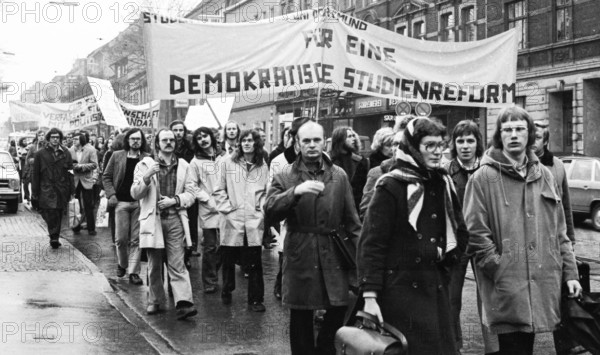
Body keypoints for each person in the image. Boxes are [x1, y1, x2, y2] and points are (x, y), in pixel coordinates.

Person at [464, 106, 581, 355]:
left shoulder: (545, 176)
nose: (514, 135)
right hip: (506, 285)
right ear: (499, 135)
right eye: (507, 130)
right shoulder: (483, 178)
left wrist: (570, 273)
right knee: (511, 348)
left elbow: (560, 231)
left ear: (530, 134)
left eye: (520, 129)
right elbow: (475, 233)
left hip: (540, 282)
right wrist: (498, 266)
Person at [357, 117, 468, 355]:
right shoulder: (391, 185)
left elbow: (460, 230)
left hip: (434, 288)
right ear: (413, 147)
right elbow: (372, 245)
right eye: (430, 146)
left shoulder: (441, 181)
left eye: (441, 145)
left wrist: (448, 258)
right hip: (399, 292)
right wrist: (369, 296)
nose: (438, 152)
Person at [265, 121, 361, 354]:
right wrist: (295, 193)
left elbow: (352, 221)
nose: (311, 145)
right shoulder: (285, 175)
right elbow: (269, 209)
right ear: (297, 144)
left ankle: (325, 349)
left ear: (324, 142)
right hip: (301, 251)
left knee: (338, 306)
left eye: (316, 140)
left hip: (333, 250)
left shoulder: (338, 175)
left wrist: (363, 259)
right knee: (301, 315)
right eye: (306, 140)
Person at [130, 128, 197, 320]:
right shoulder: (145, 164)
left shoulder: (184, 165)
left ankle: (184, 303)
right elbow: (135, 193)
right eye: (164, 140)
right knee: (155, 264)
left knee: (177, 261)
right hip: (153, 219)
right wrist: (147, 176)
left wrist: (175, 200)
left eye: (172, 140)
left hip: (175, 218)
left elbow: (191, 193)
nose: (169, 143)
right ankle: (155, 300)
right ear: (157, 143)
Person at [444, 119, 487, 353]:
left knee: (490, 299)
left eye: (470, 140)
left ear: (477, 143)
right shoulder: (446, 171)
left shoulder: (488, 170)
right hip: (457, 244)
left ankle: (493, 346)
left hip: (483, 242)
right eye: (460, 140)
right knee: (452, 299)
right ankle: (455, 346)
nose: (465, 145)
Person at [214, 129, 268, 312]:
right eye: (243, 140)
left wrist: (261, 211)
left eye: (250, 140)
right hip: (232, 217)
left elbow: (266, 191)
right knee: (228, 257)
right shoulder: (227, 162)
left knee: (254, 259)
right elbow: (218, 189)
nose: (246, 143)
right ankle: (227, 289)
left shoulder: (262, 165)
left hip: (253, 218)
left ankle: (256, 299)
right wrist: (228, 209)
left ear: (256, 144)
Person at [103, 128, 149, 285]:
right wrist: (111, 195)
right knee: (121, 239)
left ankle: (134, 272)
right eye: (133, 139)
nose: (136, 141)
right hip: (121, 202)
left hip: (140, 203)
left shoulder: (147, 158)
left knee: (136, 239)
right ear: (128, 140)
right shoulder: (117, 156)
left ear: (142, 141)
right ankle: (122, 264)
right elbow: (106, 176)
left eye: (139, 139)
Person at [187, 127, 226, 294]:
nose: (203, 140)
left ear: (212, 137)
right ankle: (209, 281)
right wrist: (206, 199)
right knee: (210, 246)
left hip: (226, 206)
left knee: (226, 245)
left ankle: (214, 271)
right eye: (199, 138)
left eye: (205, 136)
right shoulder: (195, 162)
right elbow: (191, 185)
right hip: (208, 209)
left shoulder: (225, 157)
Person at [358, 115, 414, 219]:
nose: (398, 149)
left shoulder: (433, 175)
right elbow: (366, 214)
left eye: (405, 144)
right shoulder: (378, 173)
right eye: (395, 144)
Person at [31, 128, 74, 249]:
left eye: (57, 137)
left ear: (60, 139)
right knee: (49, 212)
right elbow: (35, 174)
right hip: (46, 188)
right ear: (49, 138)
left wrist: (72, 189)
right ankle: (53, 234)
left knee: (58, 212)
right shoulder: (40, 154)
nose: (55, 139)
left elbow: (70, 172)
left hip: (61, 188)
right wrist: (34, 192)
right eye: (53, 137)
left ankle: (54, 236)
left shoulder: (66, 153)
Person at [170, 120, 200, 264]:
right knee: (176, 223)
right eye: (175, 130)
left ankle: (189, 249)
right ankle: (178, 253)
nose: (178, 133)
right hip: (174, 189)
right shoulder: (168, 146)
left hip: (189, 188)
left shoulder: (191, 148)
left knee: (191, 220)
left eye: (180, 130)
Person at [330, 126, 369, 211]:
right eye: (349, 136)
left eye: (353, 136)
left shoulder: (361, 161)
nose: (353, 139)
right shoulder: (329, 162)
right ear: (340, 139)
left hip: (356, 208)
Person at [69, 132, 98, 236]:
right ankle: (75, 226)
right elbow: (67, 165)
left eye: (76, 139)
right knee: (75, 205)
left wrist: (81, 166)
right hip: (75, 180)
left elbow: (94, 165)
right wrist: (72, 167)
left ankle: (91, 228)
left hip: (86, 180)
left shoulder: (91, 150)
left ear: (81, 139)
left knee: (88, 205)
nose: (74, 140)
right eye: (73, 139)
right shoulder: (70, 150)